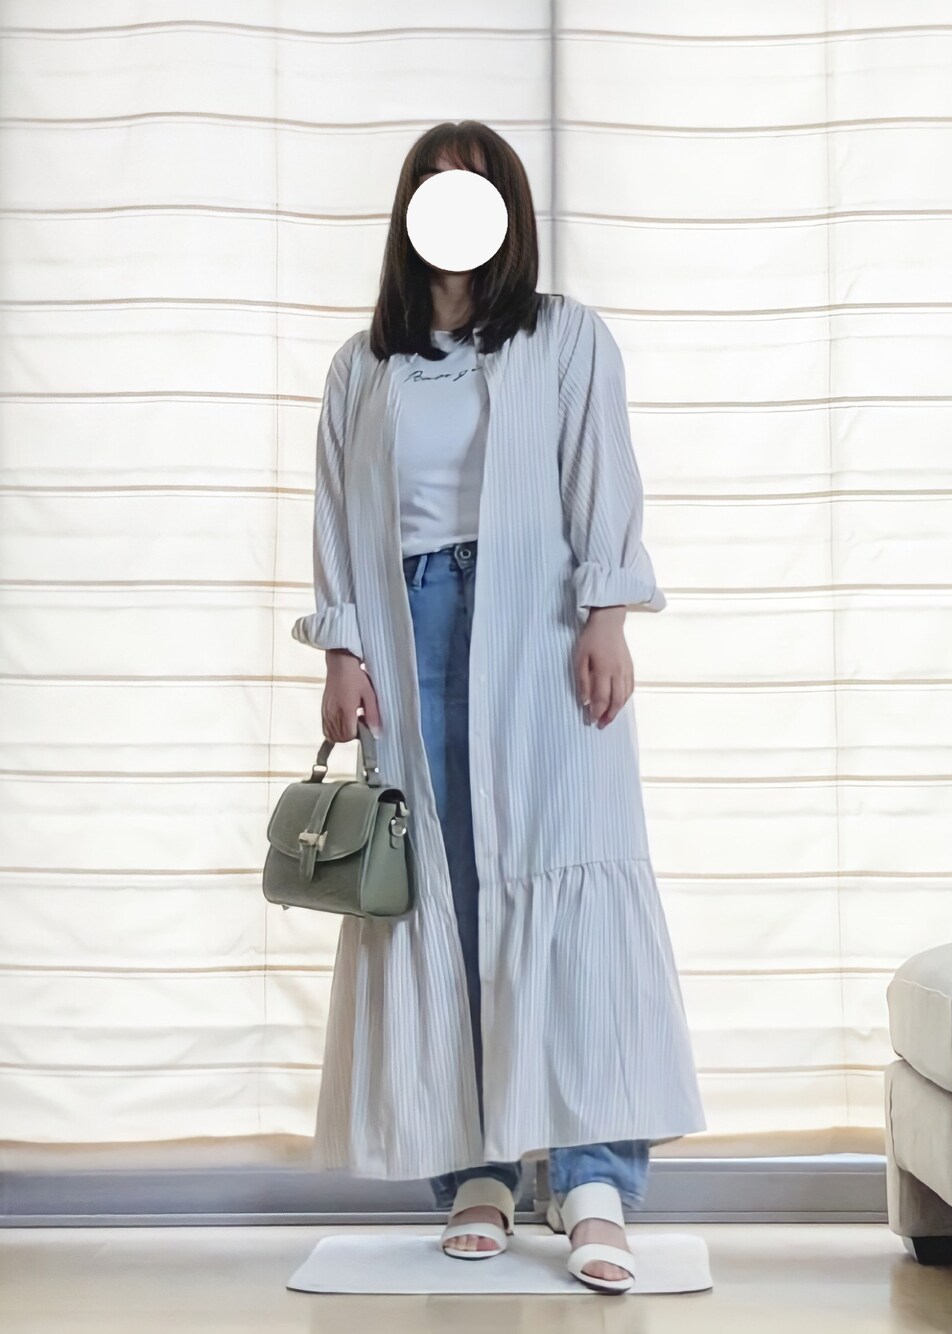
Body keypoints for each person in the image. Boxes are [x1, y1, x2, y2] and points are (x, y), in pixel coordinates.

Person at [293, 120, 706, 1294]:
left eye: (474, 191)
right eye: (434, 190)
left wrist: (607, 613)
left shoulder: (565, 337)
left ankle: (590, 1177)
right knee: (441, 890)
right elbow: (335, 515)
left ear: (509, 211)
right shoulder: (362, 366)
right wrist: (341, 647)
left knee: (568, 882)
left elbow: (599, 476)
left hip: (539, 622)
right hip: (407, 627)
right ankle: (473, 1168)